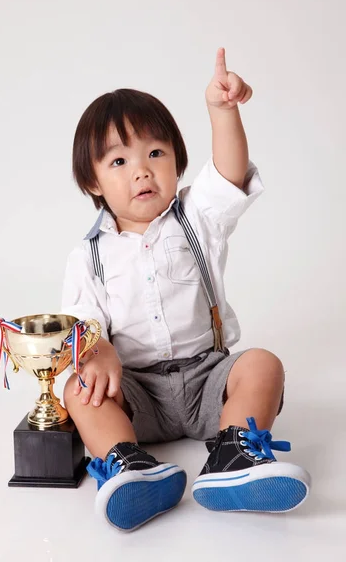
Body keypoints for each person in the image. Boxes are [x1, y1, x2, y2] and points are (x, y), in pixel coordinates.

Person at [61, 48, 311, 531]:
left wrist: (223, 111)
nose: (142, 170)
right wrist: (99, 350)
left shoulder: (198, 219)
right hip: (137, 395)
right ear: (92, 179)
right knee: (79, 388)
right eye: (119, 161)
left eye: (156, 153)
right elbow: (81, 322)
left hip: (208, 380)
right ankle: (128, 464)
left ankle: (232, 457)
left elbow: (230, 174)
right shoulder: (88, 255)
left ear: (178, 162)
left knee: (263, 364)